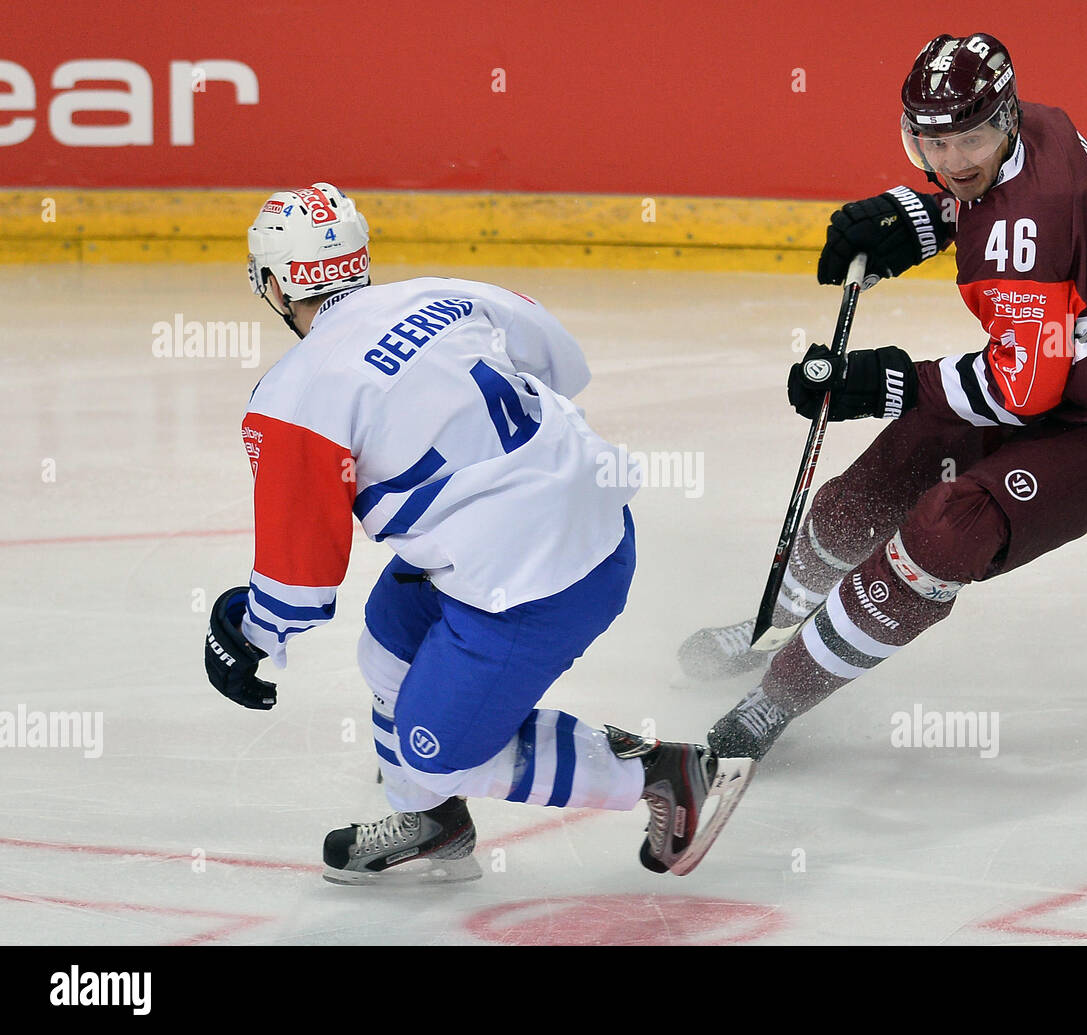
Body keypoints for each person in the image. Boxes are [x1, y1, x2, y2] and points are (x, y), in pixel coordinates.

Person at [680, 33, 1087, 763]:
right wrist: (919, 215)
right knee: (882, 477)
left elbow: (1025, 388)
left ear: (1004, 121)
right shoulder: (1039, 124)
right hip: (1075, 356)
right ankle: (775, 619)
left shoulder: (1022, 233)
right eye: (934, 144)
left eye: (972, 138)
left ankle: (781, 690)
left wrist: (886, 382)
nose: (954, 160)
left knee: (948, 529)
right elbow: (1003, 207)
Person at [203, 182, 743, 882]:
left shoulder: (293, 397)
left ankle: (665, 774)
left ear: (275, 284)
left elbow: (298, 585)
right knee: (389, 642)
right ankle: (431, 820)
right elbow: (561, 361)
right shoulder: (442, 293)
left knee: (438, 749)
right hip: (597, 524)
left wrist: (244, 632)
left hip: (533, 582)